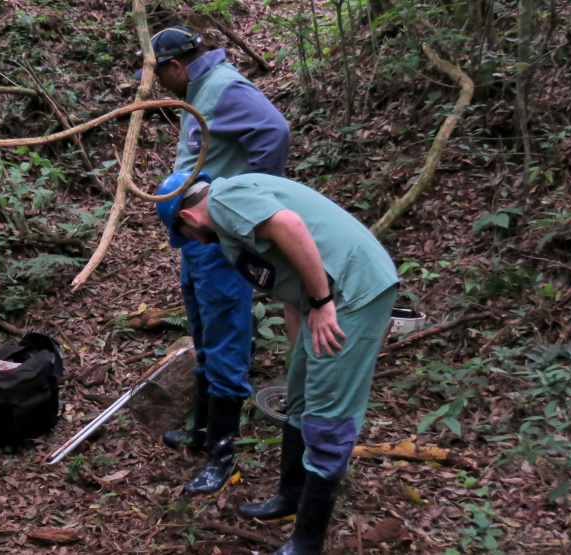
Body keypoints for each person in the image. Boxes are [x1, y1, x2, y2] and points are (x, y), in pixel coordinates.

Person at [156, 172, 398, 555]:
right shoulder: (232, 228)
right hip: (321, 298)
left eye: (186, 237)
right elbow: (287, 284)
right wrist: (297, 352)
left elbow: (291, 224)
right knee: (299, 396)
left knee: (326, 416)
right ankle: (289, 500)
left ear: (186, 220)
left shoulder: (224, 200)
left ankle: (307, 543)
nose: (194, 243)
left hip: (352, 294)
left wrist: (320, 302)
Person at [135, 26, 291, 496]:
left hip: (221, 236)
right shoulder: (201, 89)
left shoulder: (224, 87)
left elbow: (275, 132)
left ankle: (224, 460)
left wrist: (249, 203)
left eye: (161, 75)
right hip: (196, 236)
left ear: (175, 66)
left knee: (225, 338)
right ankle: (203, 432)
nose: (161, 85)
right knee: (203, 329)